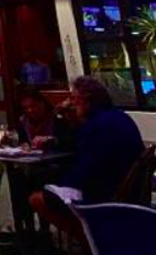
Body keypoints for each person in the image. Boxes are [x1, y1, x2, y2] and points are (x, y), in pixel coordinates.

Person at [30, 77, 143, 242]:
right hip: (129, 188)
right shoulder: (119, 117)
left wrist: (61, 185)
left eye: (74, 99)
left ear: (87, 101)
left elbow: (86, 171)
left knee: (37, 199)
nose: (71, 104)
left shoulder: (96, 127)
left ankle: (93, 242)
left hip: (106, 194)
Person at [16, 86, 72, 151]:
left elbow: (69, 142)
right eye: (25, 108)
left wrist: (49, 139)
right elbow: (22, 142)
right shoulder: (23, 121)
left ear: (42, 103)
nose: (29, 110)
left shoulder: (57, 118)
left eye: (33, 106)